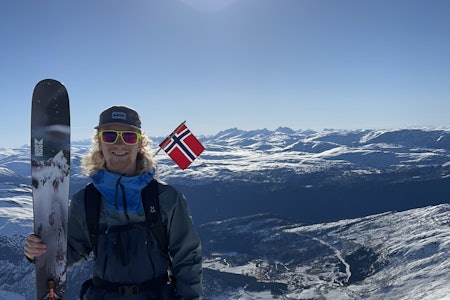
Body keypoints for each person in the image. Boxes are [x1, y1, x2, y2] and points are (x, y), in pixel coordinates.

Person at [24, 105, 203, 299]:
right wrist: (38, 251)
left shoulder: (165, 199)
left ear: (140, 143)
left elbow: (187, 258)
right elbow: (69, 252)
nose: (119, 144)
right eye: (110, 136)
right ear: (99, 143)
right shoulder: (86, 201)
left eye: (129, 137)